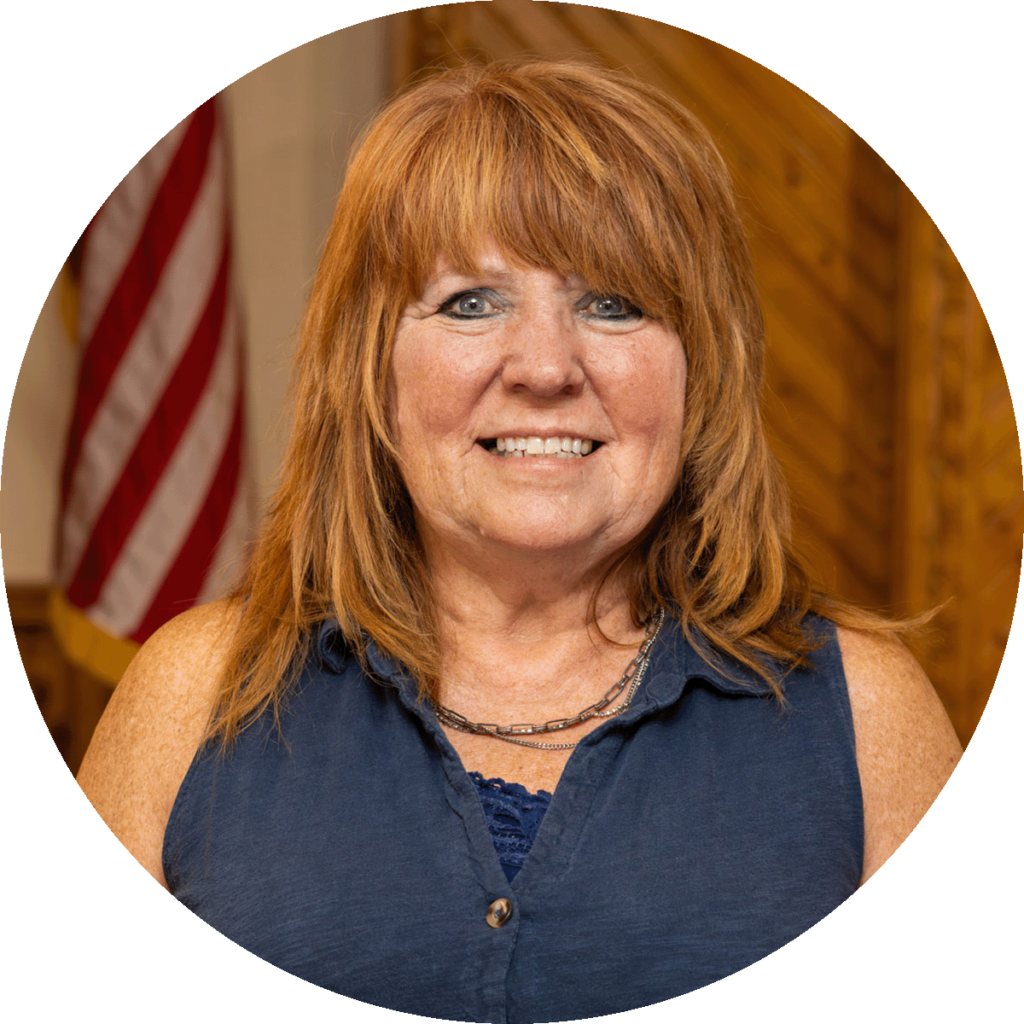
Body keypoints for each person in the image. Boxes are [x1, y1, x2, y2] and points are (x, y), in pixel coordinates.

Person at [77, 59, 962, 1018]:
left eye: (613, 303)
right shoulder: (195, 696)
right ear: (372, 371)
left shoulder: (864, 716)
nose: (544, 367)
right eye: (471, 302)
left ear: (700, 372)